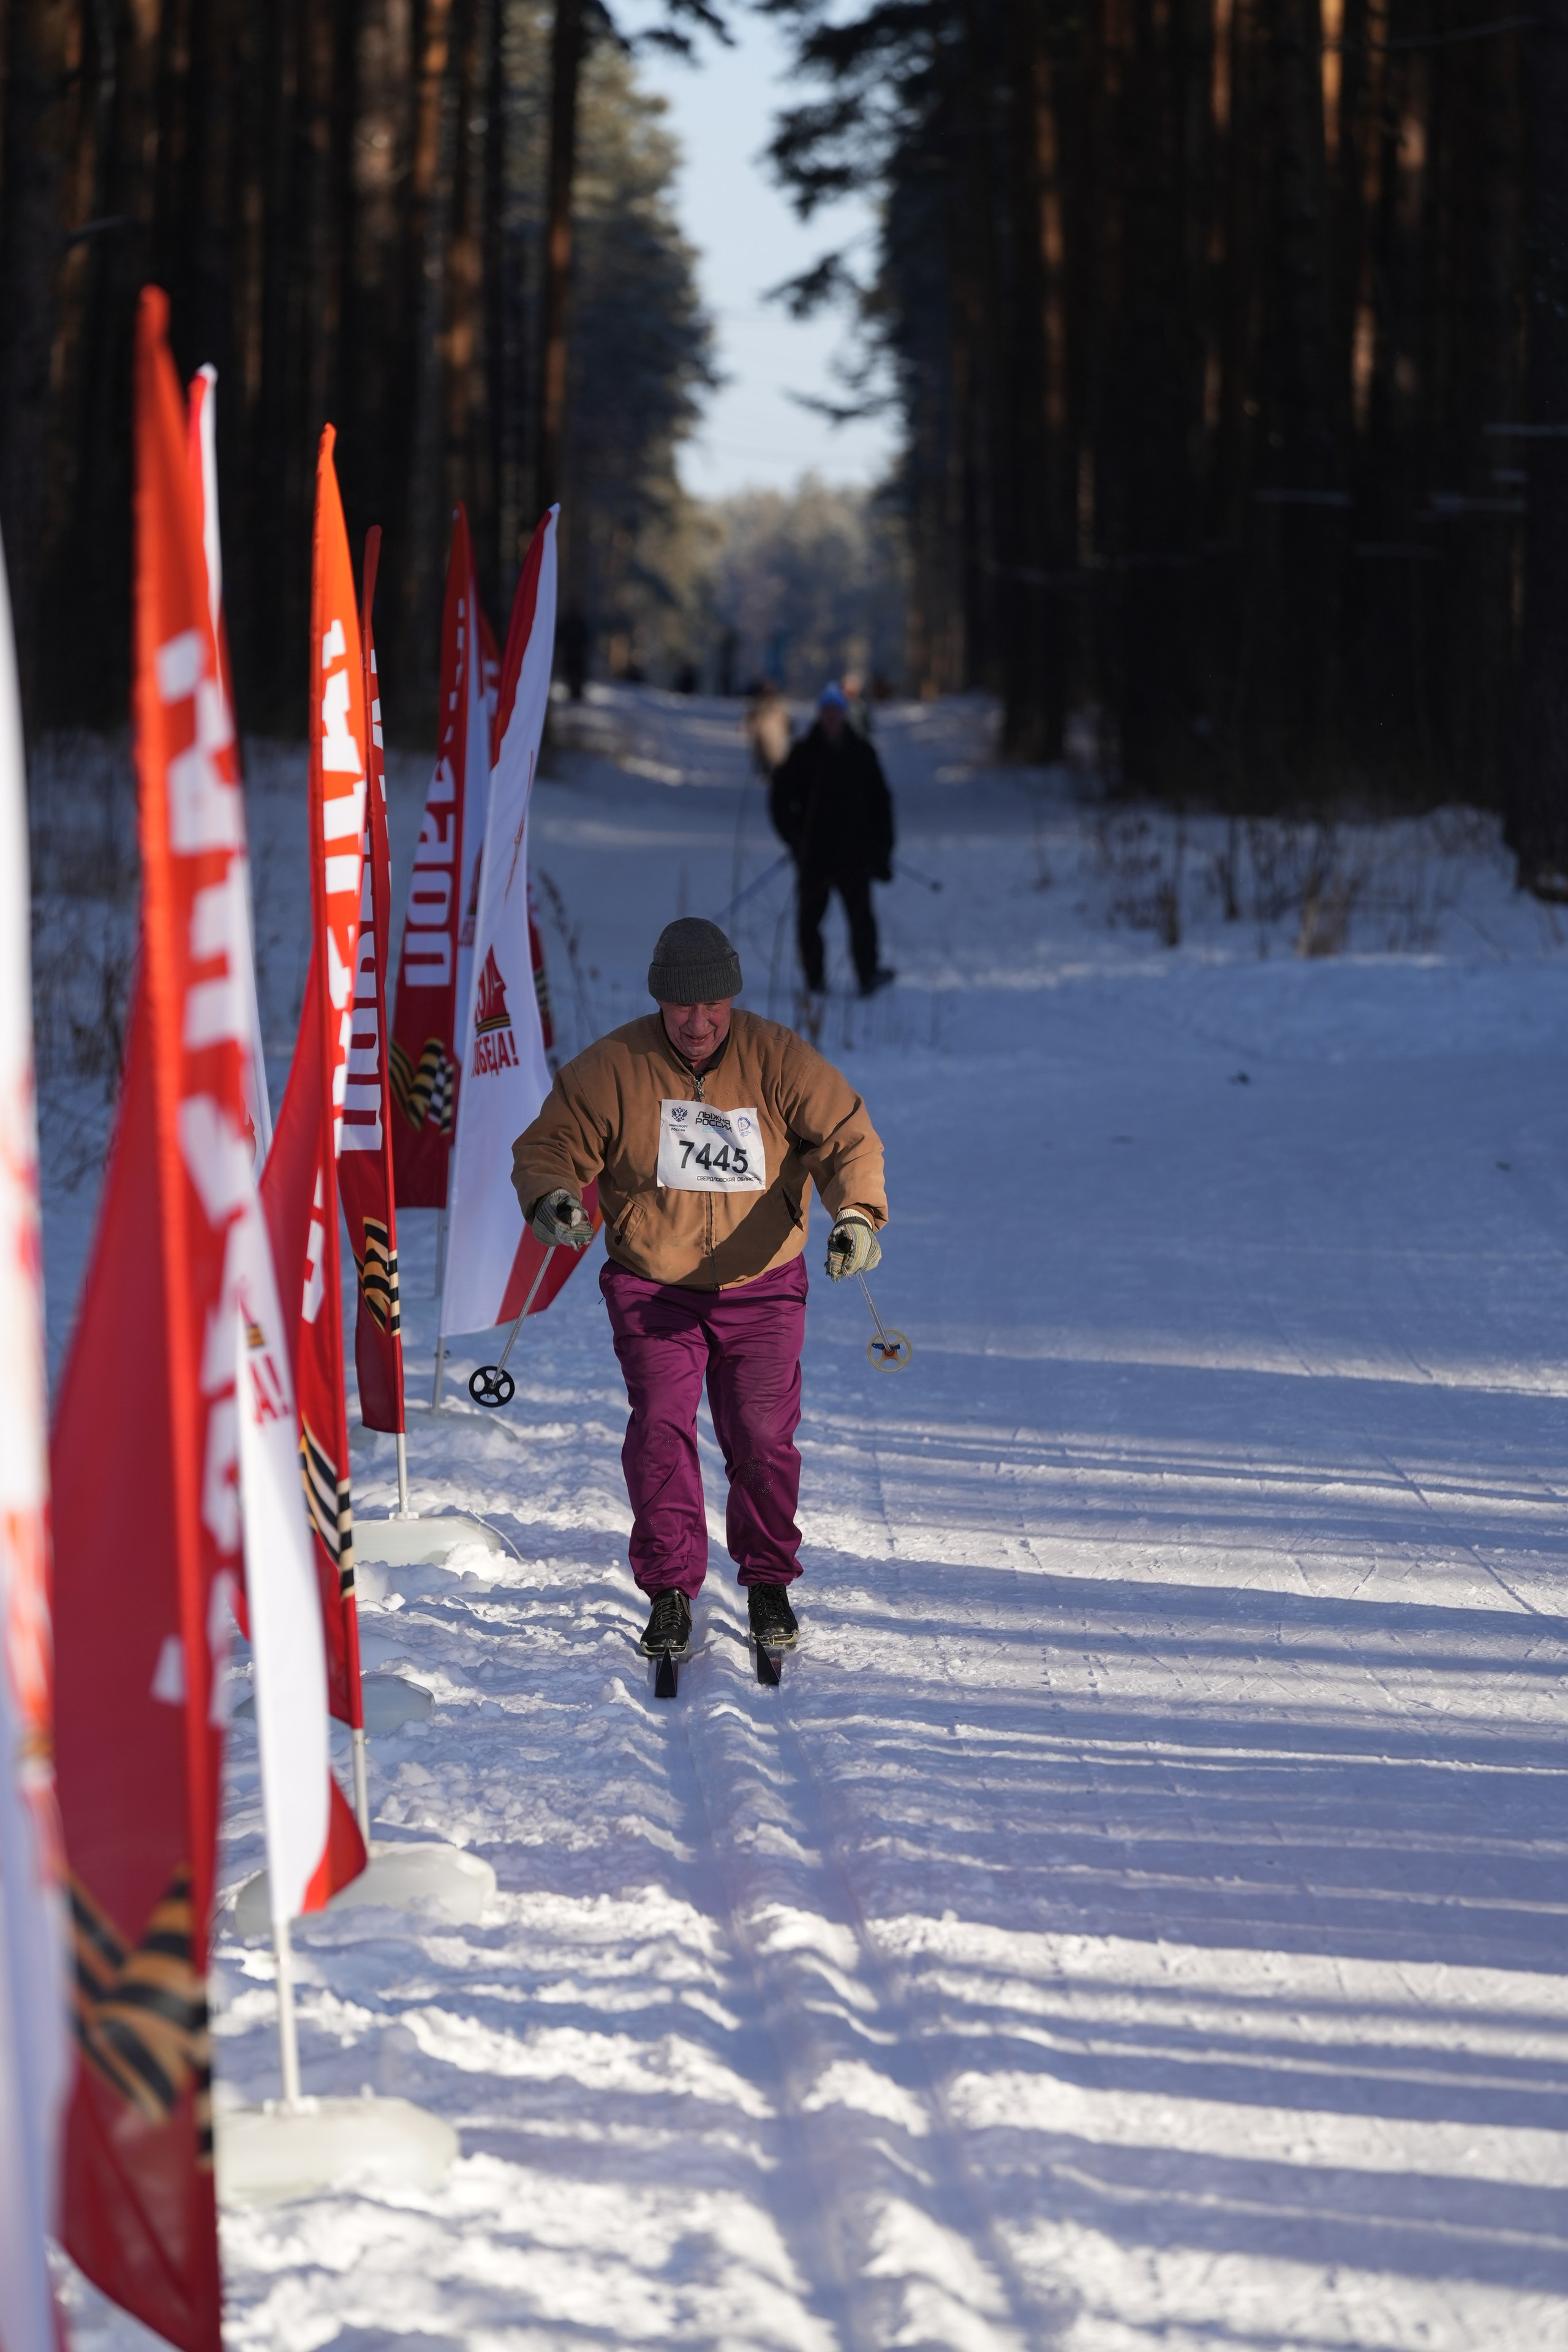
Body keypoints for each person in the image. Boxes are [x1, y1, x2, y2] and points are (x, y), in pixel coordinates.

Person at [510, 917, 888, 1662]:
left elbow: (846, 1135)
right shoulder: (614, 1066)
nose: (698, 1022)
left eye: (712, 1005)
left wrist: (856, 1215)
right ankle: (671, 1591)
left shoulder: (776, 1058)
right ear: (660, 1002)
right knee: (659, 1429)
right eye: (682, 1007)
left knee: (762, 1439)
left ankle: (768, 1579)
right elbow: (550, 1143)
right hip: (655, 1289)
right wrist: (552, 1195)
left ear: (731, 997)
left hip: (763, 1285)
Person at [770, 681, 895, 998]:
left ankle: (868, 975)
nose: (831, 718)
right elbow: (779, 800)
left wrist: (882, 850)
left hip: (855, 855)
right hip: (815, 855)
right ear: (819, 716)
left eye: (836, 713)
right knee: (810, 920)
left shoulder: (862, 753)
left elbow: (881, 803)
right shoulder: (803, 753)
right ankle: (815, 980)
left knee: (861, 919)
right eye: (826, 713)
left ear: (844, 715)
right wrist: (795, 839)